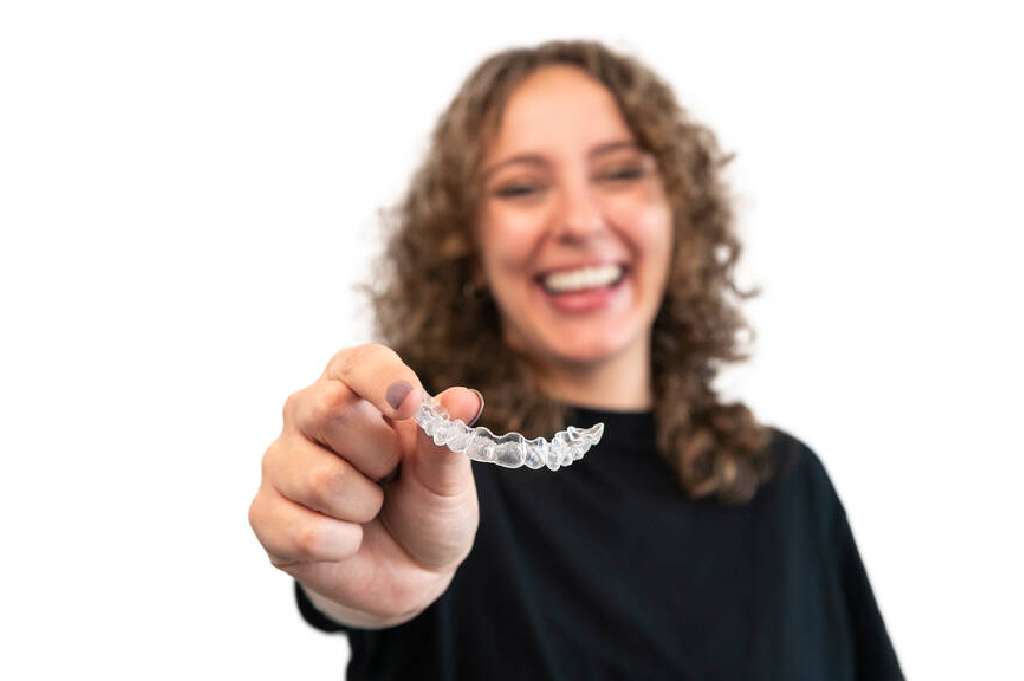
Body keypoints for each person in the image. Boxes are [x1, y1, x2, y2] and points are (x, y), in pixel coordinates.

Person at [247, 39, 904, 680]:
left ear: (681, 210)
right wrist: (352, 566)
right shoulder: (423, 475)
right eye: (522, 187)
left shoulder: (786, 485)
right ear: (466, 240)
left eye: (620, 171)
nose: (580, 220)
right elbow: (360, 581)